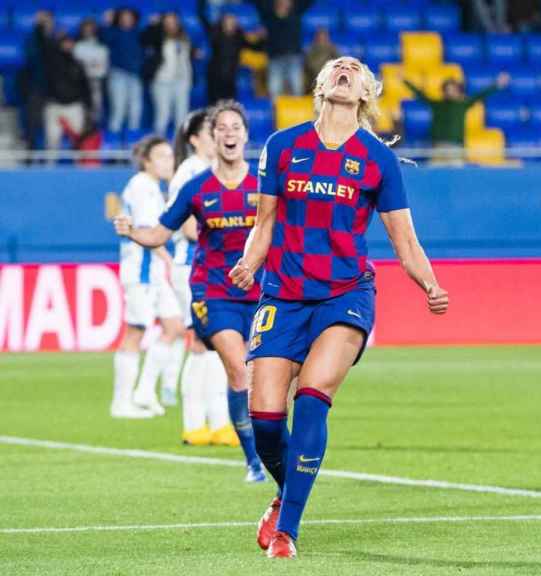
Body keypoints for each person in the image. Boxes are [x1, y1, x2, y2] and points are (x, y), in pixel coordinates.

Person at [228, 56, 449, 558]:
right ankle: (286, 491)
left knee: (311, 397)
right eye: (336, 67)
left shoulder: (377, 160)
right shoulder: (283, 146)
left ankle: (287, 530)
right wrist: (248, 263)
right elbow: (265, 222)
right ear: (321, 85)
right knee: (264, 420)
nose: (345, 69)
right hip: (282, 294)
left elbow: (403, 238)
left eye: (355, 69)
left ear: (367, 92)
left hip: (345, 295)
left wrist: (429, 284)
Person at [114, 101, 267, 483]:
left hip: (260, 291)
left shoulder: (264, 187)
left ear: (246, 135)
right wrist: (132, 230)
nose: (229, 134)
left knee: (267, 376)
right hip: (212, 290)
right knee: (238, 366)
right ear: (212, 139)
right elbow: (161, 232)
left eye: (236, 127)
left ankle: (245, 435)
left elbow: (288, 232)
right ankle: (252, 460)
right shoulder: (197, 187)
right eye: (222, 129)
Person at [167, 108, 234, 446]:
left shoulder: (213, 170)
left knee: (214, 345)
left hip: (210, 269)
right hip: (192, 267)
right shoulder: (191, 172)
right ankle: (195, 423)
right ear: (194, 139)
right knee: (201, 343)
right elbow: (189, 227)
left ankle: (217, 422)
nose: (219, 137)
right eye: (212, 132)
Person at [111, 136, 184, 419]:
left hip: (152, 272)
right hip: (140, 271)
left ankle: (143, 391)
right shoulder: (143, 186)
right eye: (163, 157)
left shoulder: (153, 187)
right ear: (147, 162)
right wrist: (171, 262)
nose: (170, 161)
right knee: (136, 331)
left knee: (175, 326)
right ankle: (121, 402)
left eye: (170, 156)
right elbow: (147, 233)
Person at [403, 73, 509, 163]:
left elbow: (480, 95)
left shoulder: (462, 104)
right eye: (447, 89)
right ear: (443, 91)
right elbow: (420, 95)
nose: (450, 92)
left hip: (456, 149)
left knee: (456, 176)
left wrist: (497, 84)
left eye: (453, 89)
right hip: (437, 148)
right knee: (435, 177)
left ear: (458, 91)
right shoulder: (436, 105)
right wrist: (405, 80)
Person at [244, 0, 315, 99]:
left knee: (297, 90)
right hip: (275, 59)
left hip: (293, 59)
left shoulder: (296, 12)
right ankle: (276, 114)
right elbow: (258, 3)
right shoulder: (268, 16)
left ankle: (296, 114)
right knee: (274, 93)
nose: (284, 2)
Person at [199, 0, 264, 103]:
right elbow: (202, 18)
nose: (230, 22)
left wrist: (261, 37)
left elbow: (255, 47)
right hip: (215, 77)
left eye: (232, 20)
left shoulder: (239, 36)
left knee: (229, 106)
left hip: (231, 77)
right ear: (222, 21)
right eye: (227, 19)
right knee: (213, 107)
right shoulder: (215, 33)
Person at [143, 12, 194, 137]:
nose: (171, 25)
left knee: (182, 117)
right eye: (167, 22)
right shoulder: (157, 37)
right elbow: (144, 39)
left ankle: (181, 149)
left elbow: (186, 59)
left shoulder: (184, 37)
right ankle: (156, 149)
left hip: (182, 80)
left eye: (173, 21)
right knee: (163, 115)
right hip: (162, 81)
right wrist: (152, 26)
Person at [43, 33, 92, 157]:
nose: (68, 45)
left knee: (80, 139)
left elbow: (85, 86)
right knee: (52, 139)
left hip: (74, 105)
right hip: (54, 106)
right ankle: (49, 167)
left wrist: (89, 105)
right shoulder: (51, 62)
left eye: (70, 43)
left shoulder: (78, 64)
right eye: (65, 42)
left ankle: (81, 167)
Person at [100, 8, 144, 134]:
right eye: (123, 17)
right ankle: (113, 140)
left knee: (135, 109)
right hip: (117, 74)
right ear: (118, 19)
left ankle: (133, 138)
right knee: (118, 108)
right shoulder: (113, 32)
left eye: (129, 17)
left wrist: (155, 24)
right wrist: (106, 23)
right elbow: (103, 39)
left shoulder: (138, 32)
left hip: (135, 75)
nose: (126, 19)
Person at [20, 10, 54, 152]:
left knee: (48, 124)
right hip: (36, 87)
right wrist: (39, 29)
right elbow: (33, 59)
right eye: (42, 21)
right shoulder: (33, 39)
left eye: (48, 21)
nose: (46, 24)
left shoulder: (53, 39)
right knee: (34, 123)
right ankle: (31, 153)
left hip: (55, 89)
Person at [73, 18, 109, 126]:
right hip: (79, 82)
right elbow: (77, 65)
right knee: (81, 108)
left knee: (96, 107)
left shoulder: (102, 46)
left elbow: (103, 67)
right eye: (86, 29)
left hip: (96, 81)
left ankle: (93, 131)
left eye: (91, 29)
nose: (88, 31)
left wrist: (90, 65)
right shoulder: (76, 46)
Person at [303, 27, 338, 94]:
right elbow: (308, 64)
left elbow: (338, 61)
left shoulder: (332, 48)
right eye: (319, 35)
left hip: (328, 75)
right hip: (313, 75)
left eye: (324, 35)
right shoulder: (311, 49)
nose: (321, 37)